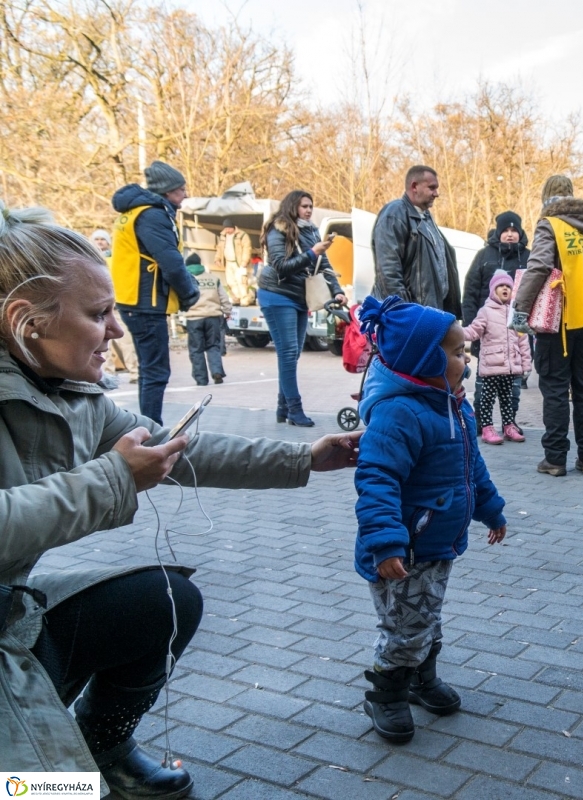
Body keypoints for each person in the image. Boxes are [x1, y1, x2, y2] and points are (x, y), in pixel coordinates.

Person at [0, 202, 363, 798]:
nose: (118, 331)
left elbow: (175, 447)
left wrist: (306, 458)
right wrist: (114, 479)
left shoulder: (74, 395)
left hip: (10, 616)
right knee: (43, 791)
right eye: (100, 314)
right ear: (27, 321)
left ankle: (104, 748)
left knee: (165, 599)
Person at [352, 296, 506, 745]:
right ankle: (387, 694)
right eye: (457, 352)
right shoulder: (400, 413)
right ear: (424, 360)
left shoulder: (453, 405)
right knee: (405, 625)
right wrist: (386, 541)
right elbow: (377, 478)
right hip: (403, 550)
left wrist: (490, 508)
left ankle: (421, 677)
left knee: (425, 617)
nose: (466, 357)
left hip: (435, 543)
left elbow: (471, 467)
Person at [512, 176, 583, 476]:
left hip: (559, 323)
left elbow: (539, 266)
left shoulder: (550, 225)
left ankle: (555, 459)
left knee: (554, 388)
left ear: (546, 199)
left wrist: (520, 309)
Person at [111, 160, 200, 424]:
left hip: (133, 299)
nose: (185, 194)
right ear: (168, 190)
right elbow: (170, 262)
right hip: (145, 302)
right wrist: (189, 293)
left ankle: (148, 427)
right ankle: (151, 431)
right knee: (156, 371)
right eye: (181, 189)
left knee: (150, 370)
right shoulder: (152, 214)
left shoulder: (137, 212)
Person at [258, 190, 346, 427]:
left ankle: (282, 408)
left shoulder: (312, 230)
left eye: (311, 206)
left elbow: (323, 264)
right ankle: (294, 410)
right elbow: (280, 266)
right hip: (276, 294)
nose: (308, 210)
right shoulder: (278, 229)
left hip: (299, 296)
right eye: (304, 206)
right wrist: (311, 253)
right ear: (292, 206)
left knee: (293, 355)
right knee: (288, 353)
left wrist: (337, 290)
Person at [461, 211, 530, 427]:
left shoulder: (528, 257)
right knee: (485, 385)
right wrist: (472, 327)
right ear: (498, 232)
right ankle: (483, 423)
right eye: (506, 231)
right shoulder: (483, 256)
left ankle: (510, 423)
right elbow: (470, 292)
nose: (510, 235)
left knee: (514, 386)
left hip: (516, 332)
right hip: (487, 331)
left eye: (514, 231)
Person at [371, 165, 461, 318]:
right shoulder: (395, 214)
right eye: (432, 188)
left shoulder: (426, 218)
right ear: (414, 186)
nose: (436, 194)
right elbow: (388, 270)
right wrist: (402, 310)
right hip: (407, 317)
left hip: (426, 314)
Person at [462, 272, 531, 444]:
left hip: (510, 367)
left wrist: (526, 363)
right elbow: (474, 330)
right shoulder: (485, 311)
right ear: (493, 290)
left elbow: (523, 340)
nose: (505, 289)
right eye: (501, 286)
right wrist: (457, 333)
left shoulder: (515, 312)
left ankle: (509, 426)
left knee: (508, 399)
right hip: (491, 366)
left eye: (508, 286)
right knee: (487, 399)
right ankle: (487, 428)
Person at [90, 229, 140, 386]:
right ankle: (107, 374)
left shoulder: (117, 260)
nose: (99, 242)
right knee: (103, 344)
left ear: (108, 242)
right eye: (96, 239)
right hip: (97, 309)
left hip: (117, 307)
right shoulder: (88, 261)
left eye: (102, 239)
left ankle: (135, 372)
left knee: (126, 341)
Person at [182, 253, 232, 386]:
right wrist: (227, 312)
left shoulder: (185, 279)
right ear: (200, 264)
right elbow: (224, 298)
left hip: (194, 318)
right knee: (213, 346)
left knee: (196, 349)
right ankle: (217, 372)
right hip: (213, 317)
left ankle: (201, 379)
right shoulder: (213, 278)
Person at [214, 218, 254, 306]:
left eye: (228, 228)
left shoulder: (243, 235)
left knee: (241, 281)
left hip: (239, 262)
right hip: (228, 262)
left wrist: (244, 261)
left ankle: (245, 300)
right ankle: (237, 298)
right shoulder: (223, 236)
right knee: (231, 282)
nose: (227, 230)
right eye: (226, 228)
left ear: (233, 227)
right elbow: (220, 248)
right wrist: (217, 258)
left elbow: (247, 248)